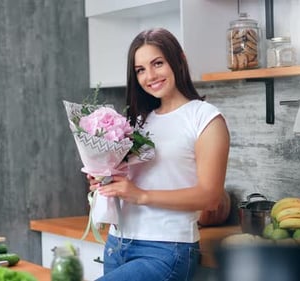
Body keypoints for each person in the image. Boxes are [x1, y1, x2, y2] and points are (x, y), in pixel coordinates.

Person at [88, 28, 230, 281]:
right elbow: (130, 181)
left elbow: (210, 198)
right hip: (117, 243)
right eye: (140, 70)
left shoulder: (205, 118)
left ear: (179, 60)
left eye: (157, 63)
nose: (150, 76)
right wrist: (105, 179)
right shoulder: (138, 122)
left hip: (166, 249)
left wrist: (140, 195)